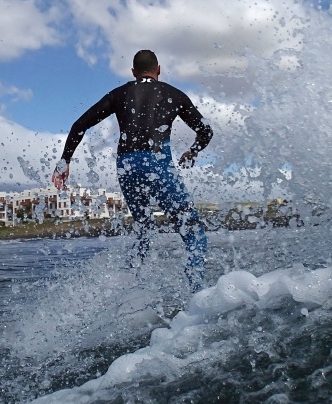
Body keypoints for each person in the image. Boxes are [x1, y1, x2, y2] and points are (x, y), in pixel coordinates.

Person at [52, 49, 213, 291]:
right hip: (157, 163)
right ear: (159, 70)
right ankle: (198, 293)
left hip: (127, 165)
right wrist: (193, 151)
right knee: (192, 231)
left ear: (133, 72)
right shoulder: (174, 94)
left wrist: (64, 161)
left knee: (144, 228)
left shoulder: (119, 94)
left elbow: (79, 125)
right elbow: (206, 131)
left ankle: (131, 289)